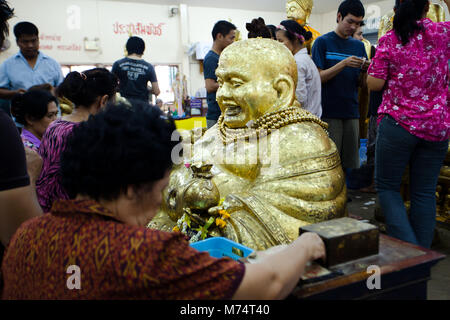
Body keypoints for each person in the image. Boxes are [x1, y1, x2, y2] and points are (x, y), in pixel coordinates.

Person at [1, 101, 326, 299]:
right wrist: (305, 245)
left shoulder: (26, 236)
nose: (160, 205)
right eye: (160, 190)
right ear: (131, 188)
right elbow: (268, 285)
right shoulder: (139, 253)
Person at [150, 38, 346, 251]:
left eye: (235, 84)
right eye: (221, 82)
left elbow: (283, 225)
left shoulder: (302, 139)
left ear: (281, 91)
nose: (222, 95)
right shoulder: (222, 128)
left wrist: (195, 207)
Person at [367, 0, 450, 248]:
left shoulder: (390, 39)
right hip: (436, 127)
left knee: (388, 188)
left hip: (398, 125)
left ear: (396, 10)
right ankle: (422, 255)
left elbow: (374, 84)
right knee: (424, 193)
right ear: (427, 9)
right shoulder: (443, 33)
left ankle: (410, 254)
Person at [0, 0, 43, 291]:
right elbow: (26, 237)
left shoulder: (50, 63)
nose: (29, 45)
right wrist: (29, 176)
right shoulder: (5, 133)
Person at [36, 68, 118, 213]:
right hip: (75, 216)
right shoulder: (91, 133)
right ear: (104, 101)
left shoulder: (54, 126)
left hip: (45, 211)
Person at [311, 0, 368, 171]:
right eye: (350, 21)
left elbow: (362, 84)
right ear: (339, 16)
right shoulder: (322, 42)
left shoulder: (359, 46)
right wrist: (343, 64)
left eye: (357, 23)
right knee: (331, 162)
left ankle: (348, 195)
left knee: (351, 163)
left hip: (351, 110)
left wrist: (366, 70)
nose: (353, 27)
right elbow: (318, 78)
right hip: (329, 111)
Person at [0, 21, 64, 125]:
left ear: (38, 40)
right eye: (25, 42)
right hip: (23, 123)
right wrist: (15, 93)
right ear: (17, 42)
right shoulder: (7, 65)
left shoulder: (52, 64)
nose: (30, 45)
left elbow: (62, 89)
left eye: (33, 41)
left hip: (52, 121)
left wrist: (52, 91)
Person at [277, 19, 322, 118]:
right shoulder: (304, 59)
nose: (278, 45)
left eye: (281, 41)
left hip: (305, 119)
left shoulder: (298, 62)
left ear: (295, 39)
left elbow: (299, 99)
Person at [204, 20, 236, 129]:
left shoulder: (221, 58)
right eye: (231, 38)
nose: (233, 41)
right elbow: (210, 86)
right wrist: (232, 83)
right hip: (215, 115)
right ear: (219, 36)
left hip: (224, 113)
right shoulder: (211, 58)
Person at [112, 36, 159, 103]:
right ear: (143, 50)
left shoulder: (118, 64)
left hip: (123, 107)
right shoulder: (149, 67)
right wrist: (147, 89)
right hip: (142, 108)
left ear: (127, 48)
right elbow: (156, 91)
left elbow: (110, 87)